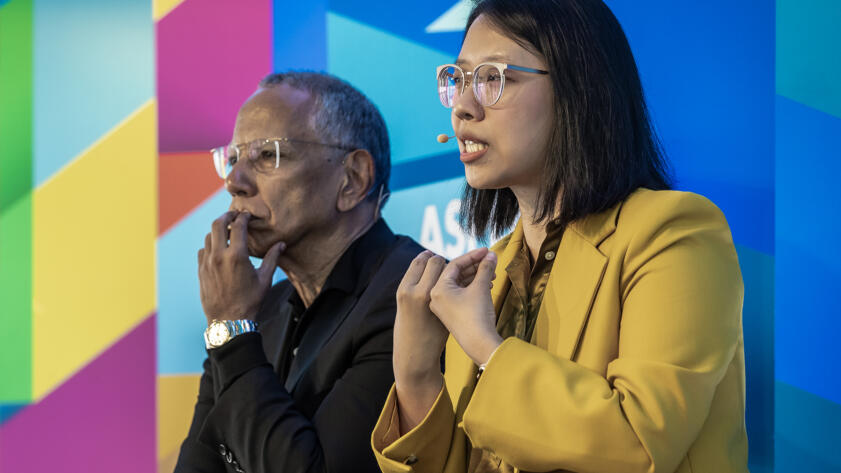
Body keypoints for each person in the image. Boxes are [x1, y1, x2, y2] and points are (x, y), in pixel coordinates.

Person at [372, 1, 749, 472]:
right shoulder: (489, 271)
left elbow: (637, 445)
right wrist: (414, 375)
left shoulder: (674, 231)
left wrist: (487, 349)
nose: (464, 108)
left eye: (494, 79)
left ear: (579, 90)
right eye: (459, 79)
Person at [174, 71, 423, 473]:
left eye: (268, 155)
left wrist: (233, 329)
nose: (234, 182)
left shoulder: (410, 297)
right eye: (233, 159)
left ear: (353, 180)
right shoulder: (260, 310)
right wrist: (232, 327)